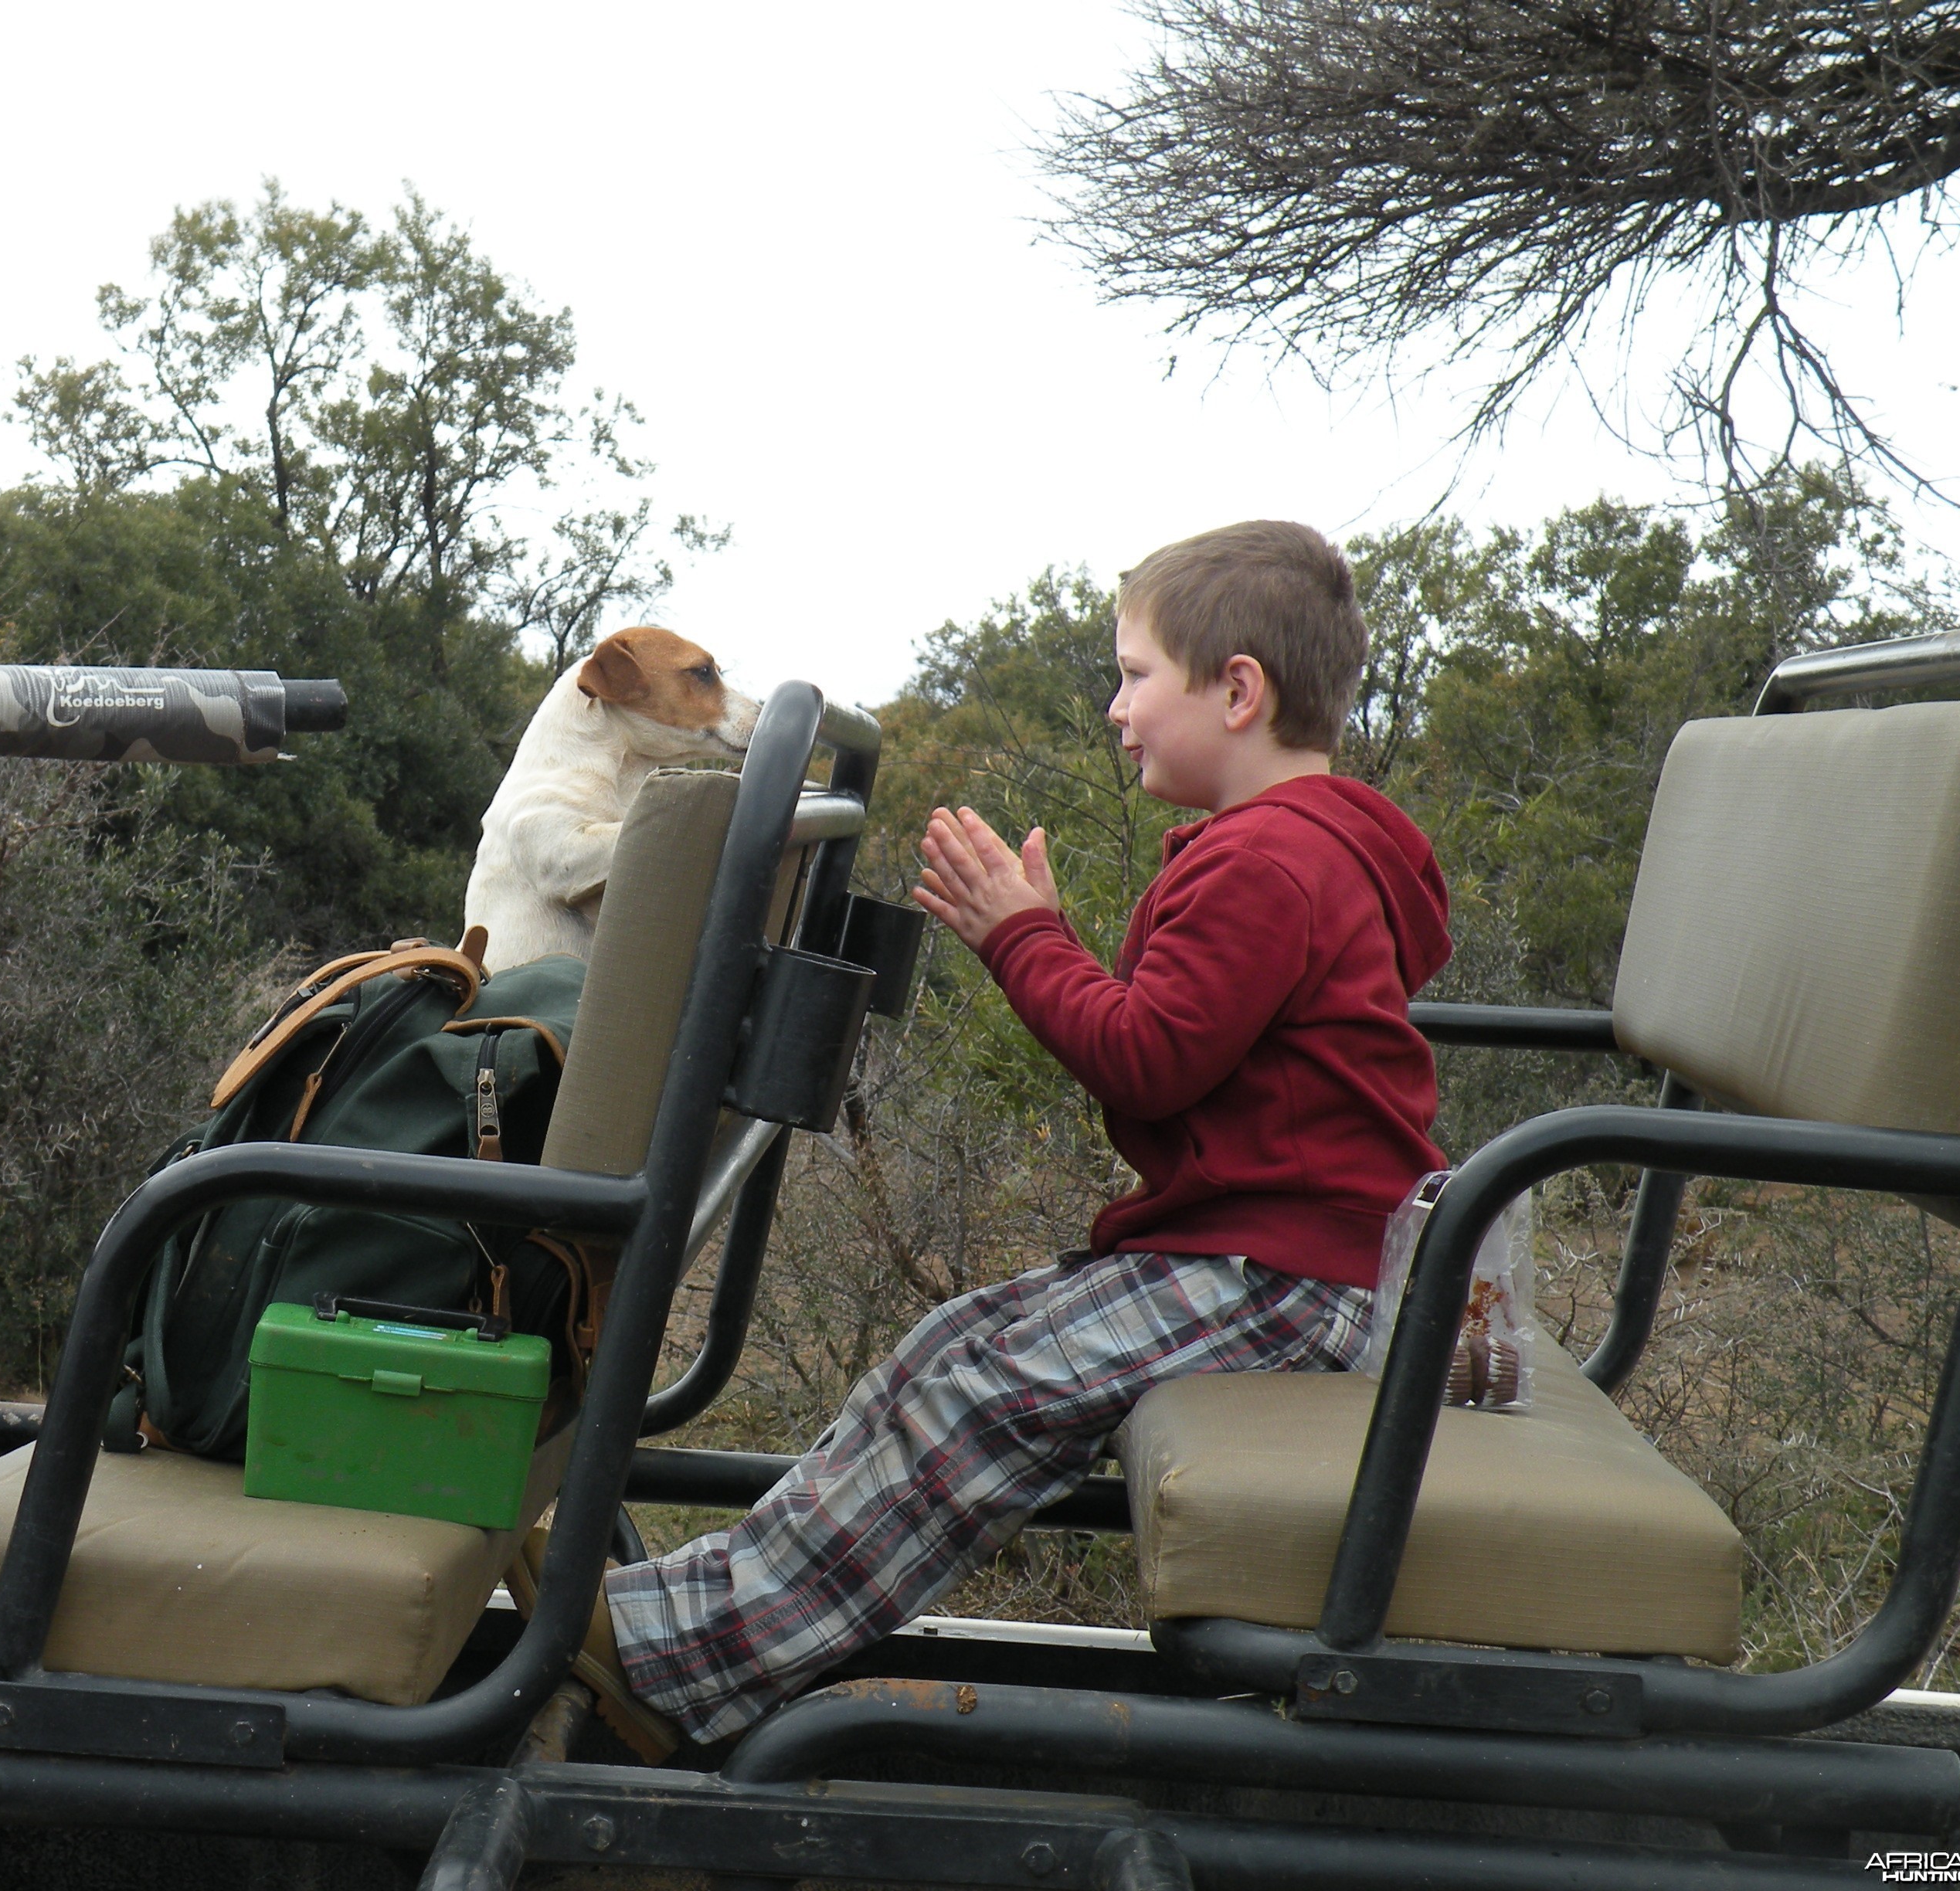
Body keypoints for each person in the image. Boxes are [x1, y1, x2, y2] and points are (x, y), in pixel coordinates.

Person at [576, 519, 1452, 1752]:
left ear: (1239, 690)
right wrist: (1060, 949)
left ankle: (674, 1671)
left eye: (1137, 675)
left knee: (981, 1398)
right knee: (947, 1348)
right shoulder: (1299, 853)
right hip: (1261, 1258)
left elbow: (1142, 1059)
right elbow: (1173, 1070)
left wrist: (1020, 937)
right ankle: (685, 1623)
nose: (1114, 705)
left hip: (1288, 1278)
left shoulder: (1270, 864)